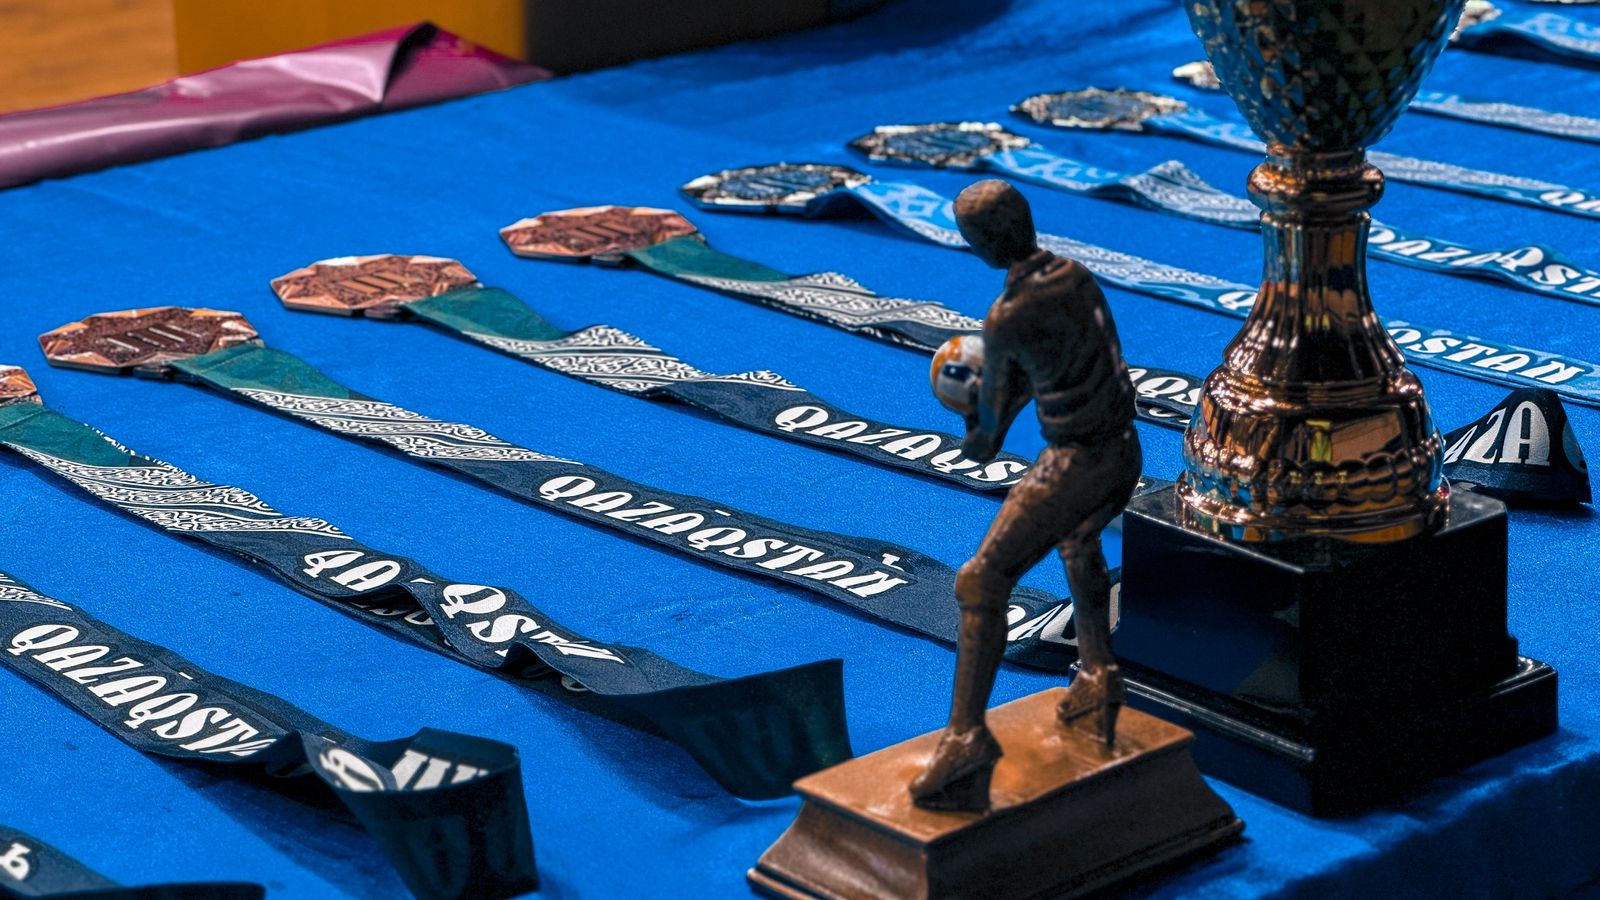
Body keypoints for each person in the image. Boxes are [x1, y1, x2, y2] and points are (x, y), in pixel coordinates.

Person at [910, 179, 1144, 812]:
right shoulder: (1074, 275)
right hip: (1125, 449)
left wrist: (970, 418)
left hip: (1079, 461)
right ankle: (1098, 672)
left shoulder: (1007, 317)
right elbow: (1043, 374)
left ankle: (965, 740)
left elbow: (987, 438)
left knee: (980, 581)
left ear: (983, 242)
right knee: (1078, 542)